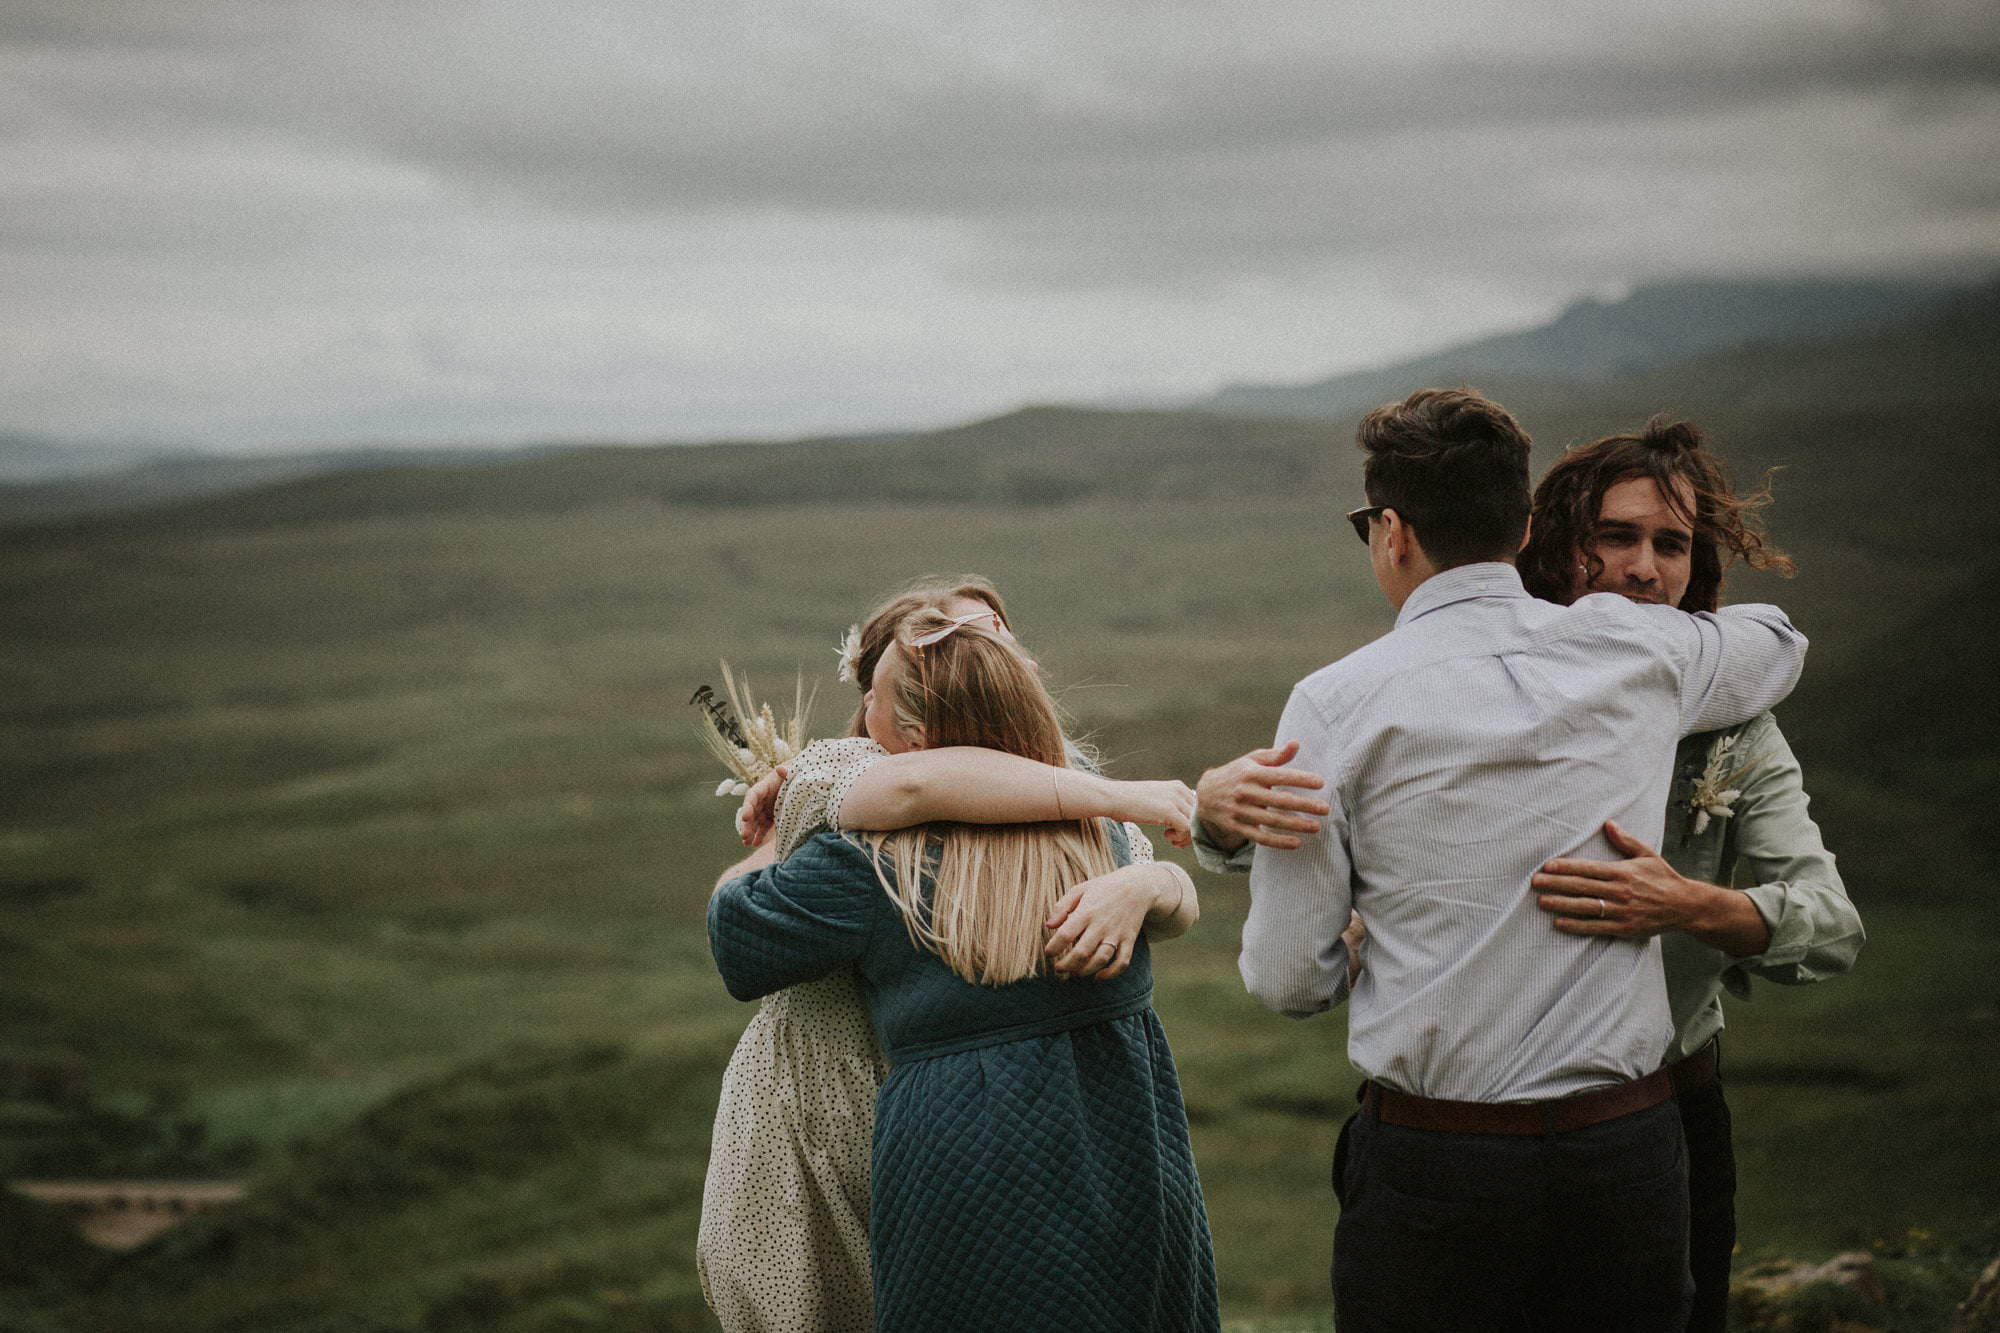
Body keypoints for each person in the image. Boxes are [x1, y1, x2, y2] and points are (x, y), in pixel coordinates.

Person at [1194, 388, 1806, 1329]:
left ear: (1392, 531)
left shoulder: (1333, 704)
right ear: (1524, 527)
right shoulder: (1643, 649)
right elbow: (1776, 641)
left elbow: (1288, 980)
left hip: (1439, 1171)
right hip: (1630, 1155)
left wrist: (1376, 941)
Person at [698, 578, 1201, 1333]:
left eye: (875, 695)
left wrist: (774, 843)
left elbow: (736, 936)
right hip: (1126, 1133)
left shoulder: (872, 857)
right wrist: (1154, 877)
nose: (861, 710)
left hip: (958, 1152)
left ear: (911, 735)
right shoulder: (1093, 820)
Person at [1517, 418, 1863, 1333]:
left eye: (1671, 543)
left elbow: (1831, 923)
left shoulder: (1735, 725)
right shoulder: (1494, 688)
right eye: (1616, 536)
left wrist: (1692, 905)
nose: (1644, 568)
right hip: (1490, 1123)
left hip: (1671, 1105)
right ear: (1559, 545)